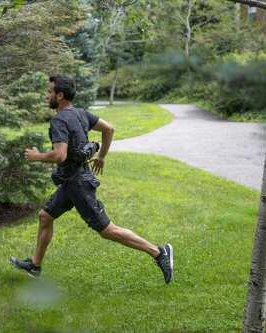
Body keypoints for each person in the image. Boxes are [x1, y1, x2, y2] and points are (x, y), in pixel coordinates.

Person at [10, 75, 174, 284]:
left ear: (60, 96)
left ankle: (159, 252)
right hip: (71, 182)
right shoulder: (81, 114)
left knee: (107, 230)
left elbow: (59, 155)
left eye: (50, 92)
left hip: (78, 185)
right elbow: (109, 129)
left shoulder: (59, 121)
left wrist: (37, 156)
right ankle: (35, 265)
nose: (47, 95)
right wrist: (102, 157)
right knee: (45, 216)